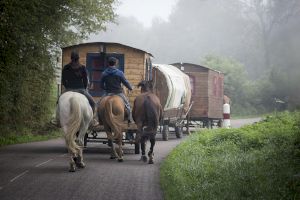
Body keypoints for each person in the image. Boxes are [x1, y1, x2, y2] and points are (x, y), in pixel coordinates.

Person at [61, 51, 97, 119]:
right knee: (93, 103)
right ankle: (93, 120)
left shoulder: (66, 67)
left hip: (69, 89)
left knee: (58, 102)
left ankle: (56, 119)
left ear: (71, 58)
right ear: (78, 58)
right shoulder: (82, 67)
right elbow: (85, 80)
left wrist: (67, 87)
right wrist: (85, 88)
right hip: (81, 89)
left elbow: (63, 80)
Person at [100, 56, 133, 123]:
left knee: (98, 104)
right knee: (127, 105)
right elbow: (125, 82)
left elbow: (101, 85)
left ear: (108, 63)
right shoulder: (120, 73)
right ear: (115, 63)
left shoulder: (104, 73)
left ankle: (98, 119)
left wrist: (105, 88)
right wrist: (130, 87)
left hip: (108, 93)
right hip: (118, 93)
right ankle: (129, 119)